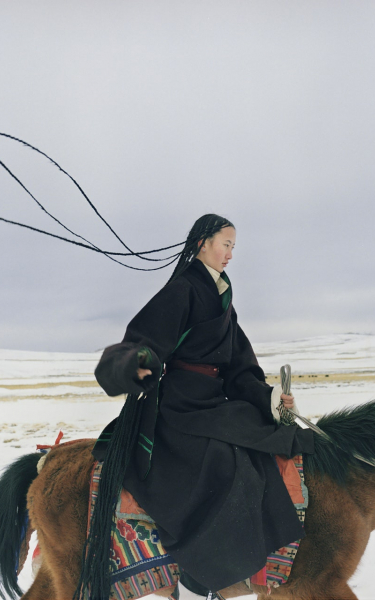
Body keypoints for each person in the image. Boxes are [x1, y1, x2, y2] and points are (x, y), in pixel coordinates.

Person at [89, 214, 314, 600]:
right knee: (222, 463)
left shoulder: (224, 300)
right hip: (178, 406)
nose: (229, 254)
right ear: (202, 244)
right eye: (225, 244)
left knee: (261, 444)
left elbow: (240, 369)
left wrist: (270, 398)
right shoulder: (181, 291)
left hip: (213, 402)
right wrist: (138, 360)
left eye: (233, 247)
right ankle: (198, 579)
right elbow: (142, 340)